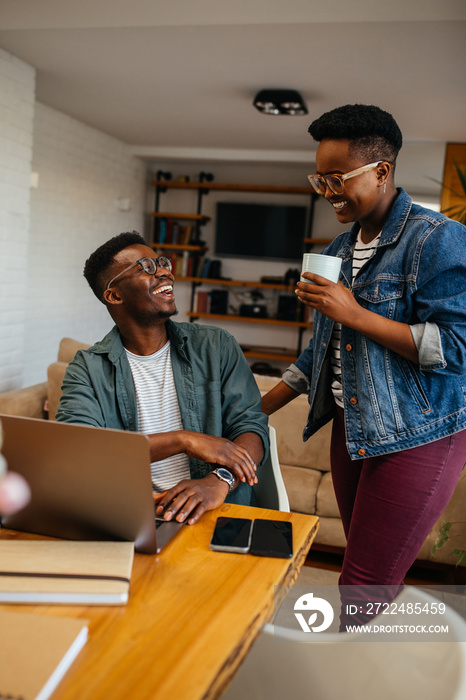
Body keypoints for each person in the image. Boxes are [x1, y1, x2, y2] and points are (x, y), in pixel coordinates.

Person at [262, 104, 466, 626]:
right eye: (319, 178)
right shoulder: (338, 248)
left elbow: (455, 349)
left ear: (381, 171)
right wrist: (254, 409)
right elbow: (320, 352)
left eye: (337, 178)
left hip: (422, 432)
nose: (327, 191)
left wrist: (352, 312)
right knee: (366, 573)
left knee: (362, 588)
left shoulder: (436, 239)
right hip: (355, 429)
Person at [56, 232, 268, 525]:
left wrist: (219, 480)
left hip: (216, 510)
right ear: (114, 295)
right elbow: (81, 451)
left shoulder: (215, 345)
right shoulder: (87, 369)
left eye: (162, 262)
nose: (166, 271)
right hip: (130, 513)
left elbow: (251, 427)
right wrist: (185, 440)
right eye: (146, 267)